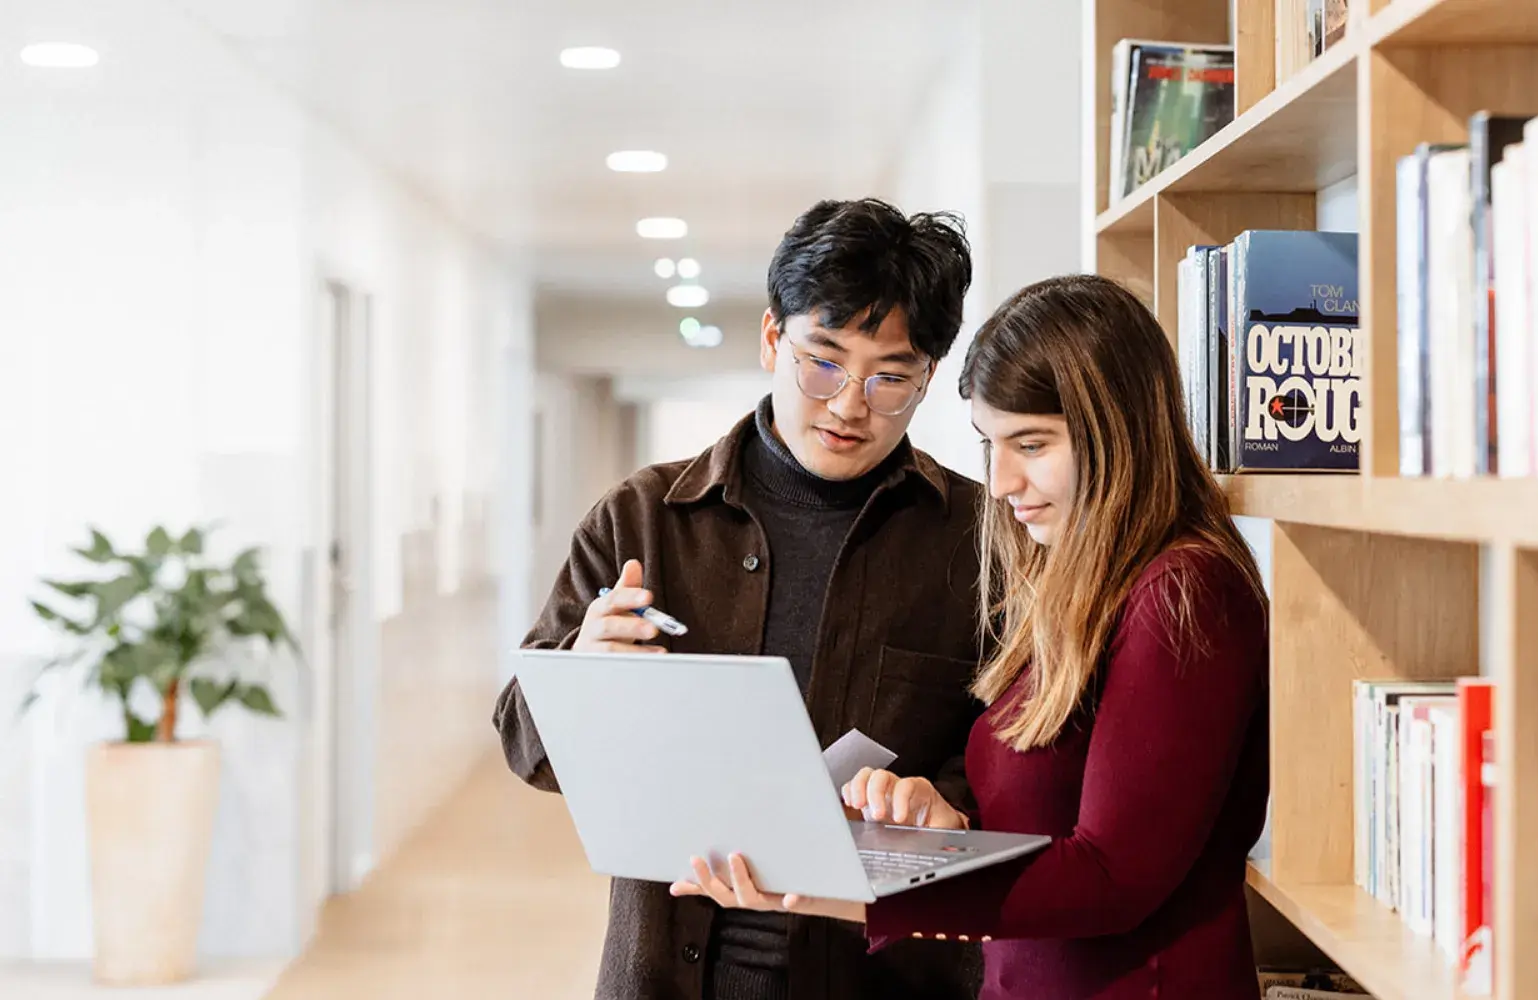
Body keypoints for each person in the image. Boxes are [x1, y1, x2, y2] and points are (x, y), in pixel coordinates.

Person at [670, 273, 1273, 1000]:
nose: (1004, 479)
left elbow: (1115, 877)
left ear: (1119, 430)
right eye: (992, 444)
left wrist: (850, 886)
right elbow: (1049, 814)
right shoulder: (1074, 584)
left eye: (1032, 443)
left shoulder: (1186, 593)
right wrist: (944, 821)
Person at [493, 198, 990, 1000]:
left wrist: (949, 806)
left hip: (888, 980)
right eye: (822, 360)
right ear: (771, 338)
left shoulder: (979, 542)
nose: (849, 403)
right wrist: (583, 670)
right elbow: (525, 746)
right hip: (669, 974)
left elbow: (1029, 762)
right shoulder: (643, 520)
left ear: (928, 377)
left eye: (890, 377)